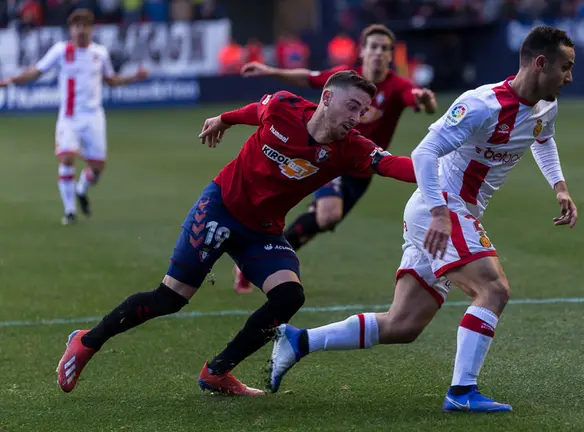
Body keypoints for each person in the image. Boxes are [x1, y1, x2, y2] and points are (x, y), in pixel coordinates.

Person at [267, 26, 579, 413]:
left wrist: (560, 187)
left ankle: (298, 341)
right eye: (565, 67)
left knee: (403, 325)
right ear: (540, 63)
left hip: (449, 214)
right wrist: (439, 212)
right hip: (442, 208)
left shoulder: (545, 106)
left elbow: (542, 137)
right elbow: (425, 152)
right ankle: (462, 393)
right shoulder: (482, 104)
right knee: (493, 290)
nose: (569, 77)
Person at [55, 71, 417, 396]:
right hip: (220, 208)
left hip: (262, 231)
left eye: (362, 111)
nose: (356, 118)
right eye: (352, 106)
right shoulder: (283, 106)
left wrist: (447, 171)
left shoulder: (350, 147)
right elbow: (255, 112)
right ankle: (86, 342)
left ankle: (217, 372)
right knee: (170, 298)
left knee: (289, 296)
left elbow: (392, 164)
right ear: (326, 97)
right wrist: (223, 119)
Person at [234, 24, 437, 293]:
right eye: (373, 46)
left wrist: (425, 101)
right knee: (329, 213)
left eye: (385, 48)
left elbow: (418, 99)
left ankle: (259, 258)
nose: (378, 53)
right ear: (362, 51)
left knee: (322, 221)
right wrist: (270, 70)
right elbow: (309, 77)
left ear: (391, 55)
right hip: (329, 157)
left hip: (363, 169)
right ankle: (261, 255)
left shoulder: (398, 85)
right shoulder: (345, 82)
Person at [0, 9, 149, 225]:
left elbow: (111, 80)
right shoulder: (61, 51)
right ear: (71, 29)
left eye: (84, 25)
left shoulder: (100, 53)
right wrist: (12, 80)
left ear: (91, 29)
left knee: (97, 169)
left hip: (94, 118)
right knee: (67, 157)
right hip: (69, 117)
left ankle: (81, 190)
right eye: (76, 26)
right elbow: (37, 71)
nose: (80, 30)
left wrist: (134, 77)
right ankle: (69, 211)